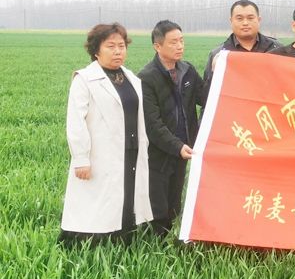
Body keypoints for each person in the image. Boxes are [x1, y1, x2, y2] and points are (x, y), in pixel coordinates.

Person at [60, 23, 153, 245]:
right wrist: (81, 158)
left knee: (125, 197)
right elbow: (76, 122)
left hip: (130, 150)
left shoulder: (131, 78)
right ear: (96, 50)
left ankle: (122, 240)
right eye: (111, 46)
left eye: (121, 46)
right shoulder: (85, 79)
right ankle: (88, 243)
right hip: (100, 153)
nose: (118, 51)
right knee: (96, 201)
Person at [138, 20, 204, 236]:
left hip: (183, 150)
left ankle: (168, 241)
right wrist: (176, 146)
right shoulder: (147, 77)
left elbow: (206, 98)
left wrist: (220, 71)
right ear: (157, 46)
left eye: (181, 41)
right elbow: (152, 124)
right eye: (173, 42)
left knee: (174, 201)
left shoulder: (187, 71)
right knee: (158, 204)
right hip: (158, 153)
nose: (180, 46)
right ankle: (151, 244)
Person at [202, 0, 280, 102]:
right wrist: (214, 73)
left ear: (259, 20)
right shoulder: (219, 55)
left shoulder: (277, 49)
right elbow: (207, 97)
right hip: (234, 109)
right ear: (231, 21)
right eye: (239, 18)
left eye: (250, 18)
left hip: (268, 109)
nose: (245, 23)